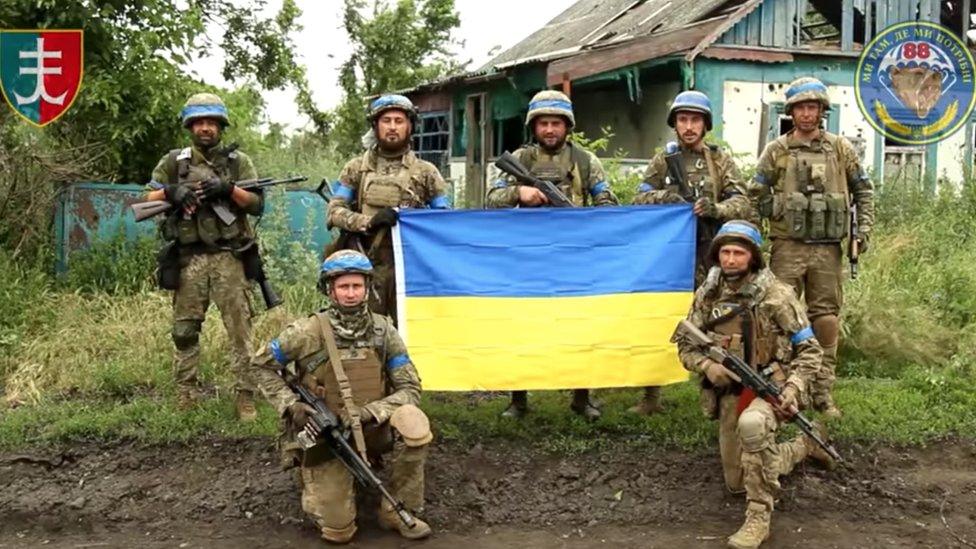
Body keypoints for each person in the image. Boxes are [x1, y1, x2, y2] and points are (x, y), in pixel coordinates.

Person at [251, 250, 432, 543]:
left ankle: (397, 508)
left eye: (356, 286)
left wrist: (370, 412)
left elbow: (410, 389)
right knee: (339, 532)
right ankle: (314, 480)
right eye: (343, 286)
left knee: (414, 422)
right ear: (330, 289)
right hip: (325, 436)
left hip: (372, 426)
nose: (350, 294)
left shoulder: (383, 330)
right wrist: (291, 405)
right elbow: (260, 367)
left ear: (367, 288)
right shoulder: (306, 331)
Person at [672, 220, 834, 549]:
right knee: (736, 482)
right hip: (732, 389)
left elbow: (810, 350)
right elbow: (685, 345)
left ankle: (758, 517)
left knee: (753, 425)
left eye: (739, 253)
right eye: (725, 253)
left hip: (773, 383)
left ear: (753, 258)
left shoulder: (777, 295)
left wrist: (791, 388)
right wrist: (707, 365)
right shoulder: (708, 293)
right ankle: (804, 446)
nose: (731, 260)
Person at [486, 89, 618, 421]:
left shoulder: (586, 161)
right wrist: (520, 192)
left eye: (555, 123)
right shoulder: (521, 159)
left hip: (573, 257)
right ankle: (518, 399)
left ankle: (581, 396)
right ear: (534, 126)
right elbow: (490, 198)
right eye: (543, 123)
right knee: (523, 328)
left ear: (567, 126)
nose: (549, 130)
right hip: (526, 258)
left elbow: (607, 202)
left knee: (579, 328)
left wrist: (588, 217)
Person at [752, 77, 874, 419]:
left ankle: (822, 392)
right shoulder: (776, 150)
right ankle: (783, 388)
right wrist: (759, 231)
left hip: (827, 249)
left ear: (822, 111)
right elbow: (754, 194)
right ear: (791, 111)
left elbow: (863, 190)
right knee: (780, 316)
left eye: (813, 107)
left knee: (826, 317)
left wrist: (862, 231)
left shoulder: (840, 149)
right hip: (787, 246)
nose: (807, 114)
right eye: (801, 107)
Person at [630, 90, 755, 416]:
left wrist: (715, 209)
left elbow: (743, 203)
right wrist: (667, 199)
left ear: (705, 124)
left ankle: (713, 391)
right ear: (675, 124)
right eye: (683, 120)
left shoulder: (719, 160)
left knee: (715, 323)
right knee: (660, 318)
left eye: (695, 120)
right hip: (670, 256)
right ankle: (651, 395)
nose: (688, 126)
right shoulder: (663, 161)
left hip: (709, 255)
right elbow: (638, 200)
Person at [146, 92, 262, 420]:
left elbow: (256, 203)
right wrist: (171, 192)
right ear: (190, 126)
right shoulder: (174, 162)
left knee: (240, 331)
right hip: (188, 259)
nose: (206, 128)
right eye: (200, 122)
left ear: (221, 126)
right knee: (184, 331)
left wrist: (228, 189)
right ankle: (186, 394)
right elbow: (146, 197)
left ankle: (244, 396)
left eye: (212, 122)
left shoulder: (239, 162)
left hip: (230, 258)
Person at [327, 94, 451, 320]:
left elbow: (444, 221)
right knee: (365, 331)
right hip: (366, 264)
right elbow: (334, 211)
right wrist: (368, 222)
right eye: (386, 121)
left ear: (410, 126)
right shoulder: (356, 168)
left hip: (411, 267)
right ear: (375, 126)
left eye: (399, 121)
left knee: (409, 330)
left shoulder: (427, 172)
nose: (392, 127)